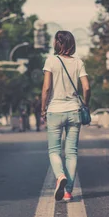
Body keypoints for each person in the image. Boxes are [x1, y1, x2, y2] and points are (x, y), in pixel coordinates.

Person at [41, 30, 90, 202]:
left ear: (57, 43)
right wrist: (85, 104)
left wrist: (43, 108)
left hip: (55, 110)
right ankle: (68, 191)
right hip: (74, 111)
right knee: (72, 153)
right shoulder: (78, 62)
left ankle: (60, 176)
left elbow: (46, 88)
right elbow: (86, 87)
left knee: (54, 150)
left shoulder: (51, 61)